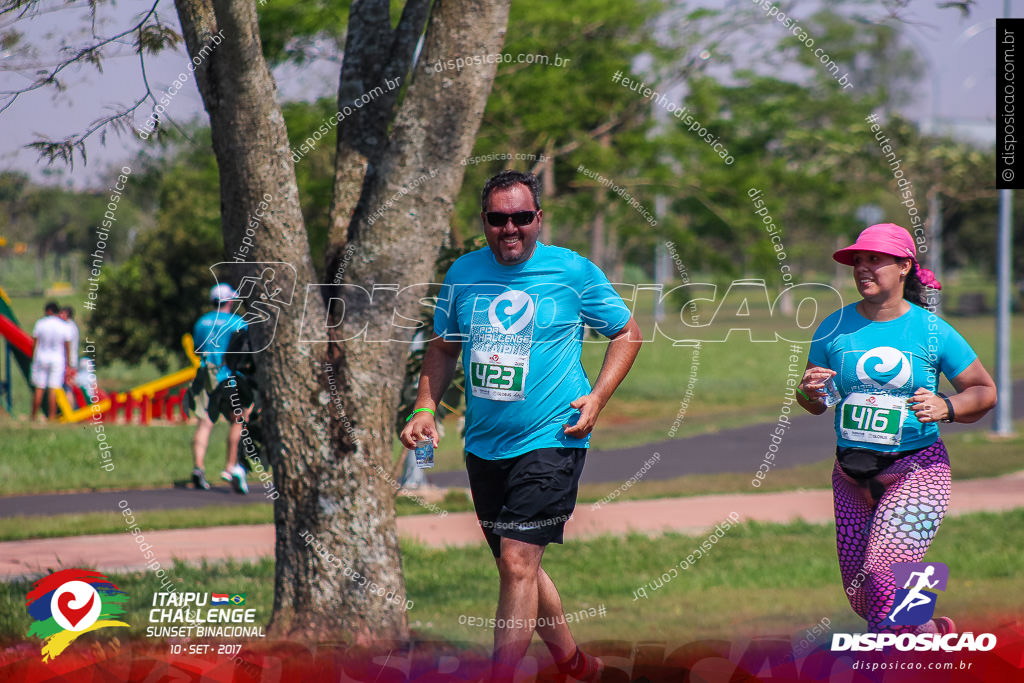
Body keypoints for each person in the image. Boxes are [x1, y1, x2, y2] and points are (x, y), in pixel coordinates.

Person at [400, 170, 642, 682]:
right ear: (484, 221)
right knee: (519, 565)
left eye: (521, 217)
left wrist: (597, 398)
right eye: (497, 218)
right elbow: (444, 346)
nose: (510, 228)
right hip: (485, 445)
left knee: (516, 563)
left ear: (539, 218)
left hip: (554, 437)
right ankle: (576, 665)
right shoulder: (464, 274)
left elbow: (626, 332)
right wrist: (425, 407)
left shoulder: (571, 272)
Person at [796, 223, 996, 635]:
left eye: (875, 259)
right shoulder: (833, 328)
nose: (863, 268)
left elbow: (984, 391)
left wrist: (947, 406)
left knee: (885, 570)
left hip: (918, 471)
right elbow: (817, 402)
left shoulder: (932, 330)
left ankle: (892, 661)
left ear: (904, 266)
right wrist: (810, 393)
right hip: (850, 474)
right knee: (863, 595)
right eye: (858, 261)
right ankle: (929, 631)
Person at [191, 284, 250, 493]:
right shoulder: (238, 322)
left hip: (205, 373)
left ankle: (198, 468)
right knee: (238, 419)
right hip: (228, 375)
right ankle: (230, 466)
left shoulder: (201, 322)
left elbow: (197, 348)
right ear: (230, 301)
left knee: (205, 422)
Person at [30, 301, 73, 421]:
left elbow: (35, 342)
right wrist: (68, 363)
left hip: (41, 357)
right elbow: (67, 345)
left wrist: (32, 356)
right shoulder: (63, 325)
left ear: (48, 311)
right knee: (54, 388)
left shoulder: (41, 323)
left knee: (39, 387)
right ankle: (52, 416)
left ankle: (33, 416)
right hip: (57, 359)